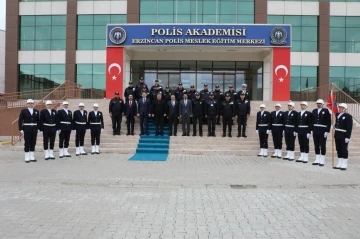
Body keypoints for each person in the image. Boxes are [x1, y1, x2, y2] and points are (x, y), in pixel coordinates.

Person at [311, 99, 331, 166]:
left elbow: (328, 121)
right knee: (316, 145)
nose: (318, 104)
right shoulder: (314, 111)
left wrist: (327, 131)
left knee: (322, 145)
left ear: (322, 104)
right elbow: (311, 121)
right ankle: (317, 159)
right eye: (317, 103)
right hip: (315, 130)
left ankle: (322, 159)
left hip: (323, 130)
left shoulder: (326, 111)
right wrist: (311, 130)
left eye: (320, 103)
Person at [333, 103, 353, 170]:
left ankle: (344, 164)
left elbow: (349, 127)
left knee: (344, 149)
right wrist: (334, 126)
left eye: (341, 108)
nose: (340, 109)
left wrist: (348, 137)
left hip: (344, 135)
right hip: (337, 134)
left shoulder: (348, 116)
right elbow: (337, 123)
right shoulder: (337, 115)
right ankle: (339, 163)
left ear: (345, 109)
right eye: (339, 107)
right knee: (338, 149)